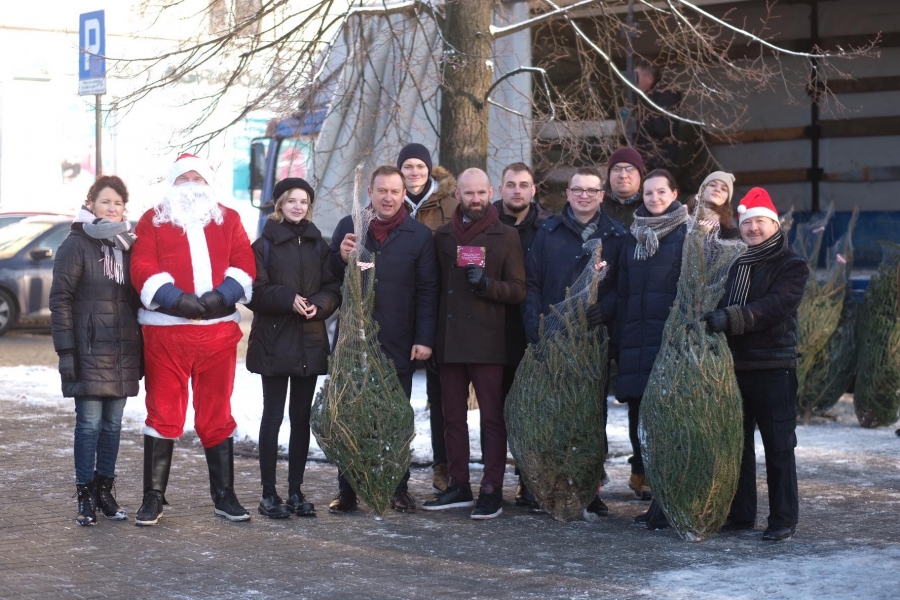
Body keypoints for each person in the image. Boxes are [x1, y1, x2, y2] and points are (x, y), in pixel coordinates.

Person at [130, 153, 256, 526]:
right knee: (163, 411)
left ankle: (224, 495)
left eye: (197, 179)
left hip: (218, 334)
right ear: (172, 184)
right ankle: (153, 496)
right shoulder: (152, 219)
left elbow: (244, 264)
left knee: (217, 412)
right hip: (166, 334)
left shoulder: (229, 219)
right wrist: (173, 298)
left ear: (208, 184)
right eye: (183, 179)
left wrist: (220, 296)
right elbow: (141, 266)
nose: (190, 185)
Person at [328, 165, 439, 514]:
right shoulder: (350, 227)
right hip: (354, 341)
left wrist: (424, 338)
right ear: (370, 193)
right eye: (382, 191)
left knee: (395, 419)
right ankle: (347, 490)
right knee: (350, 416)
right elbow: (329, 277)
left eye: (394, 191)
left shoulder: (419, 235)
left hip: (397, 340)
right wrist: (340, 259)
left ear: (404, 194)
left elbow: (428, 291)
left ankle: (397, 488)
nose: (388, 198)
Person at [704, 187, 808, 541]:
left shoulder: (791, 264)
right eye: (748, 223)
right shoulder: (732, 262)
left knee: (779, 446)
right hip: (732, 368)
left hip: (773, 367)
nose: (753, 228)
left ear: (775, 225)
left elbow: (776, 306)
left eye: (761, 221)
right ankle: (740, 513)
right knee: (737, 447)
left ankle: (783, 518)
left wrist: (731, 318)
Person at [523, 166, 628, 517]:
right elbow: (532, 282)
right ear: (567, 194)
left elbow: (625, 285)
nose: (584, 196)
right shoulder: (548, 232)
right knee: (553, 414)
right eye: (578, 190)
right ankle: (552, 485)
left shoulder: (617, 235)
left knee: (591, 416)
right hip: (553, 338)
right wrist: (535, 324)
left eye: (591, 190)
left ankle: (589, 487)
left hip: (594, 342)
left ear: (602, 195)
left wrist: (607, 308)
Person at [423, 168, 526, 520]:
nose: (476, 199)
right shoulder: (442, 235)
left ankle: (491, 488)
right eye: (469, 193)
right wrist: (432, 340)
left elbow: (518, 290)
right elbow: (432, 291)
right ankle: (459, 483)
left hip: (488, 341)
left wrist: (487, 285)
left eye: (481, 192)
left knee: (491, 418)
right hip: (450, 341)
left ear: (491, 192)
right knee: (452, 417)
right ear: (459, 195)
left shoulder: (507, 235)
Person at [246, 178, 341, 519]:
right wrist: (288, 298)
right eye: (291, 201)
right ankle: (268, 493)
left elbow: (333, 286)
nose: (298, 206)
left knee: (301, 419)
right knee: (273, 417)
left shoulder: (319, 245)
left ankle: (296, 491)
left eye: (303, 201)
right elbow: (253, 292)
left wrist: (320, 304)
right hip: (274, 343)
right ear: (280, 205)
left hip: (309, 341)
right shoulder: (263, 246)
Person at [50, 176, 142, 526]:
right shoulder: (76, 244)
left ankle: (105, 492)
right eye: (106, 201)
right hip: (87, 350)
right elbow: (60, 300)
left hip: (121, 352)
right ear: (90, 203)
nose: (112, 208)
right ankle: (85, 494)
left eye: (118, 203)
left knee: (113, 425)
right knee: (89, 425)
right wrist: (66, 352)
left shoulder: (129, 246)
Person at [615, 168, 690, 527]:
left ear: (674, 194)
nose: (655, 198)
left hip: (669, 345)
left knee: (668, 427)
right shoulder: (633, 238)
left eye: (662, 192)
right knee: (641, 427)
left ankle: (669, 502)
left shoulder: (688, 235)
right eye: (648, 193)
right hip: (636, 344)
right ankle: (654, 502)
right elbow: (624, 294)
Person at [397, 142, 458, 494]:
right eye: (408, 166)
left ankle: (443, 464)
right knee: (397, 391)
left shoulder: (450, 204)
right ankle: (395, 465)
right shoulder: (389, 201)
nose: (414, 172)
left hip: (440, 308)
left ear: (429, 168)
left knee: (441, 395)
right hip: (399, 308)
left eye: (420, 166)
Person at [494, 161, 551, 510]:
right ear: (500, 189)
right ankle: (492, 482)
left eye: (524, 185)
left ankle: (528, 479)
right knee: (495, 411)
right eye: (511, 184)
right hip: (492, 331)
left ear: (534, 190)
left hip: (534, 333)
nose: (517, 190)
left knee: (531, 410)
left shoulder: (548, 228)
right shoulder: (485, 224)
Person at [633, 60, 682, 173]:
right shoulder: (643, 97)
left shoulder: (666, 95)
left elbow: (663, 126)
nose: (634, 83)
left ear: (649, 79)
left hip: (661, 159)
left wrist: (641, 115)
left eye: (636, 78)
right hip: (645, 156)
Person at [602, 147, 646, 228]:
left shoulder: (651, 206)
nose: (623, 175)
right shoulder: (595, 205)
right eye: (616, 169)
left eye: (630, 169)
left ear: (640, 175)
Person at [691, 171, 739, 239]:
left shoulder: (731, 233)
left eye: (723, 189)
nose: (717, 190)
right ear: (702, 189)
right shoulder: (684, 220)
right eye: (712, 185)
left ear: (727, 198)